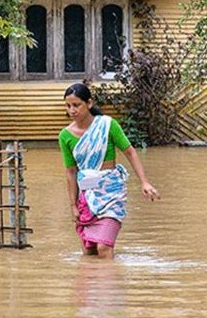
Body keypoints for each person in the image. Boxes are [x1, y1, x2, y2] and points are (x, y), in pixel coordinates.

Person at [59, 83, 159, 258]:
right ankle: (92, 283)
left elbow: (130, 152)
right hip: (87, 198)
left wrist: (144, 182)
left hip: (111, 194)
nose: (72, 110)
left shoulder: (107, 125)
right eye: (68, 106)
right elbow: (71, 172)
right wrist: (73, 206)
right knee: (89, 252)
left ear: (89, 104)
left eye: (76, 105)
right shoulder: (65, 136)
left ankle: (109, 283)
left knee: (104, 248)